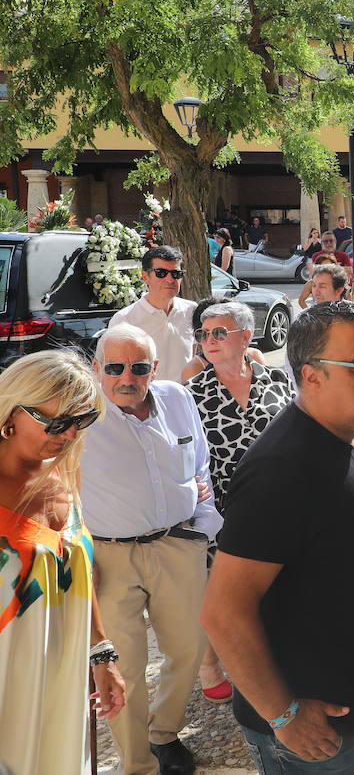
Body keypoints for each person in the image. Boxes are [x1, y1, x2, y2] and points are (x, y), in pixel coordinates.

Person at [202, 301, 354, 773]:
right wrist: (282, 715)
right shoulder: (281, 470)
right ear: (312, 375)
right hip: (321, 739)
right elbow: (223, 612)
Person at [81, 324, 221, 775]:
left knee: (188, 649)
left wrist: (203, 526)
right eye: (115, 367)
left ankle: (164, 734)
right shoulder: (80, 412)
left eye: (139, 368)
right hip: (108, 558)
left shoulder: (178, 399)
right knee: (124, 665)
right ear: (97, 368)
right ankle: (137, 763)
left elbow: (200, 461)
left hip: (177, 545)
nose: (127, 377)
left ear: (154, 368)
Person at [0, 351, 124, 775]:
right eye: (56, 423)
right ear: (11, 412)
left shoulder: (63, 472)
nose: (70, 434)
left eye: (82, 421)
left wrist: (102, 655)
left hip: (62, 674)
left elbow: (78, 573)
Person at [184, 301, 292, 701]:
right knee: (221, 593)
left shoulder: (278, 379)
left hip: (278, 505)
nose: (208, 340)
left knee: (276, 586)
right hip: (221, 511)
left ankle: (272, 662)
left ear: (246, 337)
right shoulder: (190, 393)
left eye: (219, 333)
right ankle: (211, 663)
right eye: (203, 333)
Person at [108, 244, 197, 381]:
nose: (170, 279)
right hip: (146, 399)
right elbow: (113, 370)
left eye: (176, 274)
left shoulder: (191, 311)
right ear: (145, 276)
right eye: (161, 273)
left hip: (184, 397)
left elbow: (193, 356)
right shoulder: (125, 319)